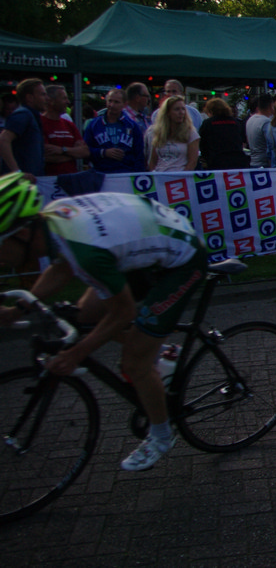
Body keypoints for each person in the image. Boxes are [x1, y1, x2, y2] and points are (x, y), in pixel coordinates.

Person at [0, 172, 208, 471]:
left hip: (182, 262)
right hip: (142, 247)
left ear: (21, 233)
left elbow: (122, 313)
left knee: (134, 363)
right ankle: (160, 352)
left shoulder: (85, 251)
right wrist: (17, 310)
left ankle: (162, 436)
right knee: (84, 317)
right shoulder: (55, 220)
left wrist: (76, 354)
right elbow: (61, 269)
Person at [85, 88, 146, 173]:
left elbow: (139, 155)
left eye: (116, 102)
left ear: (124, 104)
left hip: (125, 173)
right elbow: (85, 150)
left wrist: (137, 175)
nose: (112, 105)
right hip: (101, 173)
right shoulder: (94, 124)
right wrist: (103, 152)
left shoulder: (132, 126)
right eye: (110, 101)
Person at [0, 77, 49, 180]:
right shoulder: (23, 115)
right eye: (43, 94)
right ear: (29, 98)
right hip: (20, 184)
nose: (47, 98)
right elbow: (3, 140)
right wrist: (17, 172)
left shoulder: (31, 116)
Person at [42, 84, 90, 176]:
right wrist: (73, 154)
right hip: (49, 180)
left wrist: (62, 150)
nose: (68, 102)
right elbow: (47, 156)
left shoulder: (68, 124)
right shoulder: (40, 123)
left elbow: (85, 152)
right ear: (51, 101)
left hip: (71, 179)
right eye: (64, 98)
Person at [146, 96, 200, 172]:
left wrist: (182, 176)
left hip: (180, 175)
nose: (181, 112)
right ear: (167, 112)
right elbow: (153, 161)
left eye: (183, 109)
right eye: (177, 109)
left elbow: (192, 162)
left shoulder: (191, 133)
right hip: (160, 175)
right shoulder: (159, 132)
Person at [198, 98, 249, 170]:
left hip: (217, 162)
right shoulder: (235, 122)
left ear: (211, 111)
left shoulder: (208, 123)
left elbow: (203, 144)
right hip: (238, 160)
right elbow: (241, 140)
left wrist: (206, 159)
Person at [245, 93, 274, 168]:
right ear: (271, 106)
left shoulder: (250, 120)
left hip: (253, 161)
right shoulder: (266, 122)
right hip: (264, 163)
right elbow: (271, 144)